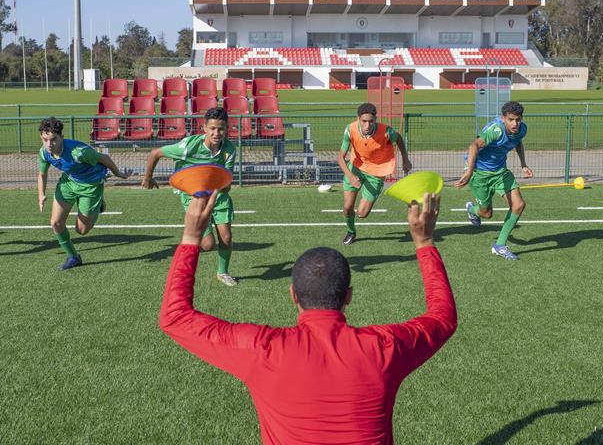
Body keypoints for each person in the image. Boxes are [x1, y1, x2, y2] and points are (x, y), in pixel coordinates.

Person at [159, 191, 456, 445]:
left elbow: (174, 317)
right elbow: (443, 318)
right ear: (348, 296)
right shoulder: (384, 348)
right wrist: (424, 242)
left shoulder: (263, 350)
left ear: (293, 294)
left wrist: (190, 238)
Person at [143, 107, 238, 286]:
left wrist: (224, 187)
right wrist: (148, 178)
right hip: (193, 195)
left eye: (221, 128)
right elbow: (156, 153)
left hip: (218, 196)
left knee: (226, 238)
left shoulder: (229, 150)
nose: (217, 133)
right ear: (204, 128)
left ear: (227, 128)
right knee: (208, 244)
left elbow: (227, 181)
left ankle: (223, 272)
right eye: (212, 128)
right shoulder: (188, 146)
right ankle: (187, 245)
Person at [37, 117, 130, 270]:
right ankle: (73, 257)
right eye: (45, 139)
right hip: (69, 182)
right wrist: (41, 194)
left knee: (81, 231)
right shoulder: (44, 152)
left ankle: (98, 203)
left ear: (61, 137)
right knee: (55, 223)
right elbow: (42, 174)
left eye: (53, 140)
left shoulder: (78, 153)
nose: (49, 144)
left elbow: (104, 159)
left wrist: (119, 174)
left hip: (91, 185)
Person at [455, 101, 532, 260]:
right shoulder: (496, 130)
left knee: (519, 205)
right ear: (503, 118)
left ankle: (499, 245)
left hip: (500, 172)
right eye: (511, 119)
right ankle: (472, 209)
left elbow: (518, 143)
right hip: (479, 174)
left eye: (518, 119)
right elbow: (474, 145)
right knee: (487, 213)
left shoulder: (521, 129)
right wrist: (469, 172)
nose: (515, 123)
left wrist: (523, 165)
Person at [338, 102, 412, 245]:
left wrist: (405, 160)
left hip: (377, 172)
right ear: (358, 119)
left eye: (371, 121)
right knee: (347, 208)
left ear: (375, 119)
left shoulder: (386, 132)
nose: (367, 125)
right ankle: (351, 231)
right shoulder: (350, 130)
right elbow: (340, 157)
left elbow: (399, 139)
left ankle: (367, 200)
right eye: (364, 121)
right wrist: (350, 176)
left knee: (362, 214)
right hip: (355, 169)